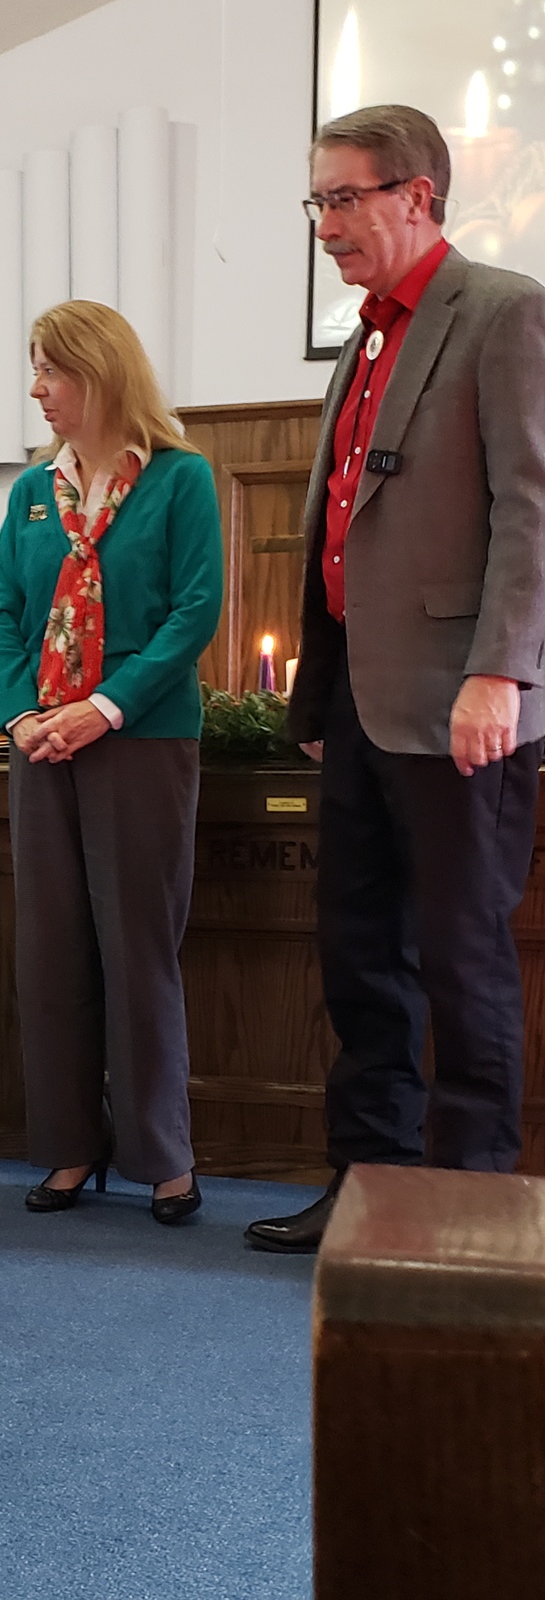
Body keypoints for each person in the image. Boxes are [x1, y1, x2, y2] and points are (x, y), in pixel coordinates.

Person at [246, 106, 545, 1254]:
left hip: (464, 706)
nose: (325, 225)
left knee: (462, 959)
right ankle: (365, 1188)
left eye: (342, 198)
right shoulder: (367, 335)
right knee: (360, 952)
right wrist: (318, 696)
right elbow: (338, 529)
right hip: (365, 708)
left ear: (416, 195)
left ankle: (470, 1208)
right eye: (316, 203)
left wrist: (500, 676)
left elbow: (531, 511)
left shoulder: (504, 311)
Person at [0, 300, 223, 1223]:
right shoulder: (31, 492)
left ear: (103, 373)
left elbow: (193, 613)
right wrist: (18, 720)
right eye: (34, 369)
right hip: (41, 742)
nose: (37, 389)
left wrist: (106, 707)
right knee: (50, 953)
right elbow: (2, 612)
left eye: (52, 370)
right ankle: (69, 1149)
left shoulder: (178, 479)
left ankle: (164, 1157)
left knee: (137, 951)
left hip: (142, 738)